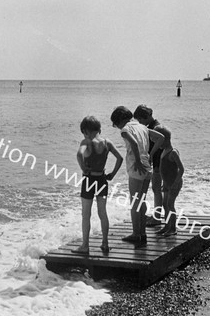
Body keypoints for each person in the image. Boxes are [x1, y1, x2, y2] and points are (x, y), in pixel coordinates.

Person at [111, 106, 164, 246]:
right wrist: (149, 155)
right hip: (148, 169)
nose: (116, 127)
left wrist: (139, 161)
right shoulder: (143, 127)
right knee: (142, 200)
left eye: (115, 124)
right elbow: (160, 138)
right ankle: (142, 233)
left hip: (137, 169)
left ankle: (136, 234)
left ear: (120, 120)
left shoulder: (125, 129)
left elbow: (133, 142)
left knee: (135, 202)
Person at [71, 116, 123, 255]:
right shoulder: (107, 142)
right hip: (101, 180)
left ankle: (85, 246)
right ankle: (105, 243)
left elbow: (79, 154)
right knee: (102, 213)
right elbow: (120, 158)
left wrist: (83, 168)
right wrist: (112, 174)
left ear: (85, 131)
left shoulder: (86, 141)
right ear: (99, 129)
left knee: (86, 214)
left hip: (89, 180)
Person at [133, 105, 171, 225]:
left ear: (147, 116)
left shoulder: (156, 128)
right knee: (157, 189)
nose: (140, 123)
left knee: (156, 189)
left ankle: (157, 217)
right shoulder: (153, 126)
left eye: (141, 120)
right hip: (158, 161)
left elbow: (159, 146)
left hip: (159, 162)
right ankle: (157, 215)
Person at [157, 130, 184, 237]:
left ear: (166, 140)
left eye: (159, 141)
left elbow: (181, 169)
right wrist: (164, 182)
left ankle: (173, 228)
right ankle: (167, 225)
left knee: (170, 204)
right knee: (165, 204)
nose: (157, 143)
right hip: (167, 182)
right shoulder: (164, 151)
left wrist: (175, 183)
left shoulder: (173, 152)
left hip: (174, 182)